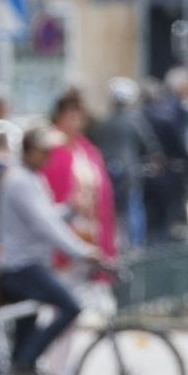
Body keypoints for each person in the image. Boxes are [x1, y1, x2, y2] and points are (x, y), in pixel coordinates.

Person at [0, 122, 103, 375]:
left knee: (23, 338)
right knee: (69, 306)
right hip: (20, 267)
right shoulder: (20, 180)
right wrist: (82, 251)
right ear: (31, 150)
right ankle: (25, 365)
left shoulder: (30, 178)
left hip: (29, 264)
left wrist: (67, 210)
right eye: (45, 151)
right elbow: (43, 225)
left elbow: (45, 216)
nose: (49, 157)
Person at [42, 88, 119, 259]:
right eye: (70, 117)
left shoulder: (88, 151)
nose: (75, 123)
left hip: (90, 226)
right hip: (63, 225)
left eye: (79, 117)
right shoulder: (50, 151)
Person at [96, 78, 157, 251]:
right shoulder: (135, 121)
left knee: (111, 211)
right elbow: (149, 145)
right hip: (130, 173)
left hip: (107, 172)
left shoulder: (105, 122)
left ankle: (114, 245)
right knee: (133, 209)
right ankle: (135, 247)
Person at [144, 66, 188, 244]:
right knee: (169, 221)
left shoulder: (153, 109)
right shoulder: (174, 110)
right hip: (171, 172)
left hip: (152, 172)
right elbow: (180, 143)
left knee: (154, 222)